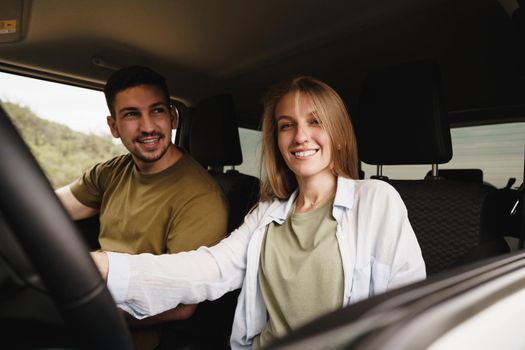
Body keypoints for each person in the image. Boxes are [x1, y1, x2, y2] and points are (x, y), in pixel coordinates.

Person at [91, 76, 426, 350]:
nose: (300, 136)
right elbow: (210, 268)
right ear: (277, 140)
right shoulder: (267, 212)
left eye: (315, 122)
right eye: (286, 125)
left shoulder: (377, 201)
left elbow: (409, 312)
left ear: (338, 135)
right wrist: (105, 266)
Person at [55, 66, 228, 349]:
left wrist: (88, 313)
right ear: (114, 126)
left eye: (157, 111)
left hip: (118, 333)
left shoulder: (201, 198)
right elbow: (48, 210)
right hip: (79, 297)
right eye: (132, 114)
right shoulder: (112, 171)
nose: (147, 126)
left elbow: (182, 305)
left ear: (173, 117)